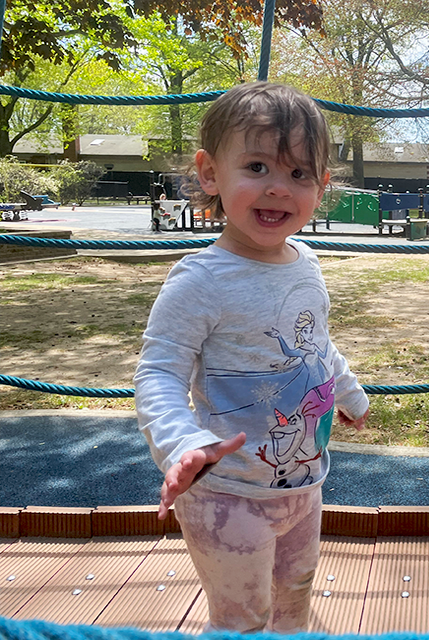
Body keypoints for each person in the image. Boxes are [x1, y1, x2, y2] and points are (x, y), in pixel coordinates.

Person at [134, 82, 370, 634]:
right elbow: (159, 372)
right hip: (227, 494)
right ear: (209, 173)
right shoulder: (201, 280)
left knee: (295, 593)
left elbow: (318, 345)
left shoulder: (306, 262)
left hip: (303, 487)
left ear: (322, 186)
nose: (278, 188)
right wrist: (182, 443)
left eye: (299, 173)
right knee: (243, 619)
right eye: (257, 166)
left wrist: (348, 391)